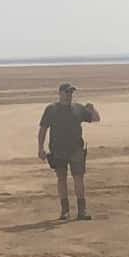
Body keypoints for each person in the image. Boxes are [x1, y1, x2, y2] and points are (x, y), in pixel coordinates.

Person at [37, 82, 99, 221]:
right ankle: (65, 211)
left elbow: (95, 119)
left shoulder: (77, 108)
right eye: (66, 92)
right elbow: (43, 129)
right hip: (58, 149)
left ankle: (82, 211)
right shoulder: (51, 109)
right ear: (60, 93)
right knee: (61, 179)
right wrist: (40, 148)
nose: (69, 95)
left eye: (71, 92)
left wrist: (92, 109)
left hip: (76, 149)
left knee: (79, 178)